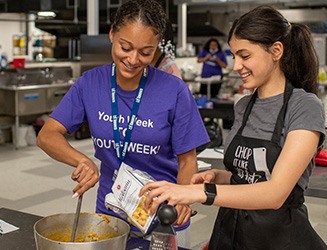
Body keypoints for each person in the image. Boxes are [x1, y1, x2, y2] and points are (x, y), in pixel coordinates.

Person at [140, 5, 327, 250]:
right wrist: (218, 177)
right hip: (230, 234)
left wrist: (201, 194)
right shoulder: (244, 106)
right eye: (233, 56)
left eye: (245, 56)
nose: (236, 65)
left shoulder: (304, 106)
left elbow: (275, 192)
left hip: (279, 240)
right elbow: (248, 180)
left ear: (276, 51)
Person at [36, 0, 210, 247]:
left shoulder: (174, 90)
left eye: (145, 52)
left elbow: (188, 160)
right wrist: (82, 160)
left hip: (164, 215)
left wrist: (183, 199)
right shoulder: (90, 83)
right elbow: (47, 135)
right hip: (109, 214)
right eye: (125, 47)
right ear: (112, 34)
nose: (133, 59)